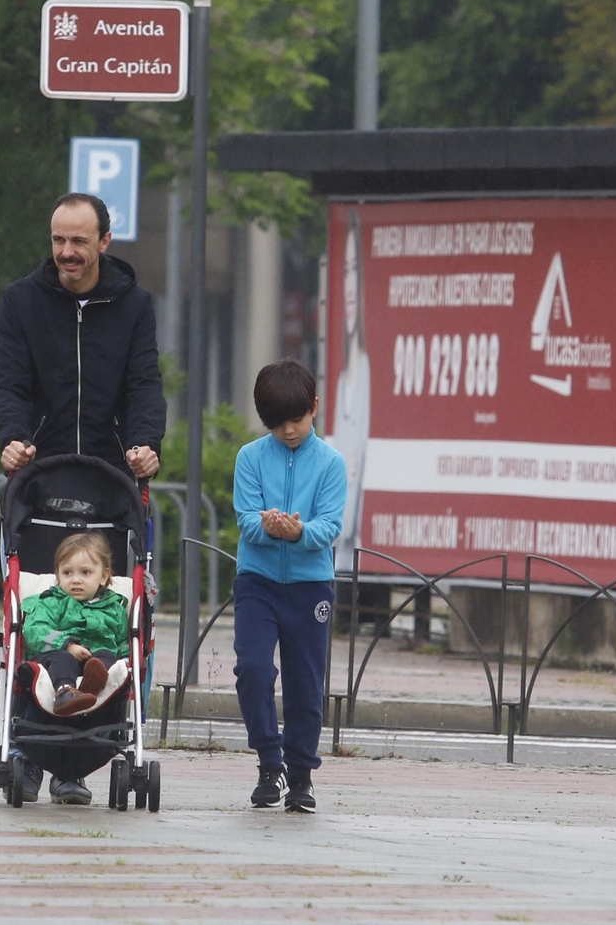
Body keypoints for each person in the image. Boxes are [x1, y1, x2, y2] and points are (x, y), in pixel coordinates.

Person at [231, 359, 347, 814]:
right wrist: (270, 527)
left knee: (306, 683)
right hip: (257, 580)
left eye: (296, 420)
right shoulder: (250, 457)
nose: (289, 431)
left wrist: (297, 533)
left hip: (310, 585)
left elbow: (330, 526)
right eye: (277, 424)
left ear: (314, 407)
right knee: (253, 670)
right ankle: (268, 761)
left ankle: (300, 774)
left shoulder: (331, 463)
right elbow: (245, 518)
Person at [0, 192, 165, 479]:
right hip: (39, 470)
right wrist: (13, 439)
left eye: (79, 241)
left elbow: (144, 387)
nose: (66, 252)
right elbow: (9, 385)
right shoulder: (20, 301)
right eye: (58, 240)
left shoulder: (135, 305)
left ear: (104, 242)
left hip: (112, 474)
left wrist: (145, 445)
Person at [17, 531, 129, 805]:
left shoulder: (115, 608)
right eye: (67, 573)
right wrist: (67, 644)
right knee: (63, 658)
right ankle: (67, 690)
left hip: (97, 662)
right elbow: (35, 630)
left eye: (85, 572)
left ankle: (93, 682)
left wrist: (129, 663)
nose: (75, 579)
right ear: (58, 575)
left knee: (106, 655)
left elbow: (125, 642)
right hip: (56, 660)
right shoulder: (50, 602)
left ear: (103, 577)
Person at [331, 210, 369, 573]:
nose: (351, 287)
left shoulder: (368, 372)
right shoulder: (343, 379)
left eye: (356, 271)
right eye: (346, 271)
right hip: (337, 544)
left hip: (351, 541)